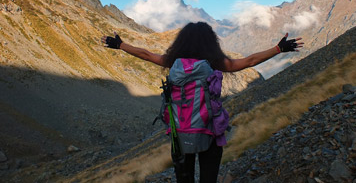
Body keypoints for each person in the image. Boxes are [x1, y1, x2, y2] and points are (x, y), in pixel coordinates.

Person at [101, 21, 303, 183]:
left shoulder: (173, 62)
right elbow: (249, 61)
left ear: (182, 41)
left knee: (184, 177)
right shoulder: (214, 62)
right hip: (210, 130)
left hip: (180, 132)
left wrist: (120, 45)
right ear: (210, 42)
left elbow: (145, 54)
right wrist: (278, 48)